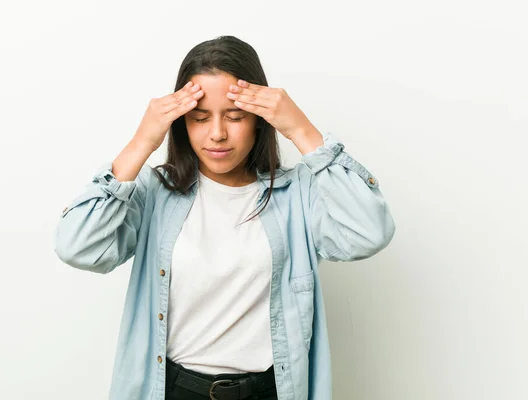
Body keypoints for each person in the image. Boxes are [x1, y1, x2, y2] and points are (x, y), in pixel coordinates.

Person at [54, 35, 396, 400]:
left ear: (260, 121)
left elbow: (370, 232)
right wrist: (142, 143)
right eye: (199, 118)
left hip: (270, 391)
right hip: (174, 390)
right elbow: (77, 246)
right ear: (181, 123)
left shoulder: (298, 195)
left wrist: (302, 131)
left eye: (235, 116)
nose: (217, 133)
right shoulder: (154, 193)